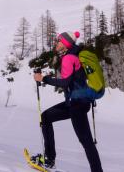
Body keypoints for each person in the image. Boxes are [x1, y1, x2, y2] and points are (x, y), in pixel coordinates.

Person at [33, 31, 103, 172]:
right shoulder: (76, 54)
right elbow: (73, 79)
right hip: (78, 102)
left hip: (77, 104)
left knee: (86, 142)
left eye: (59, 41)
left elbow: (65, 83)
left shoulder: (68, 58)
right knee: (45, 117)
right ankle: (49, 159)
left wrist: (44, 79)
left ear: (65, 44)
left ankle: (50, 161)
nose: (56, 43)